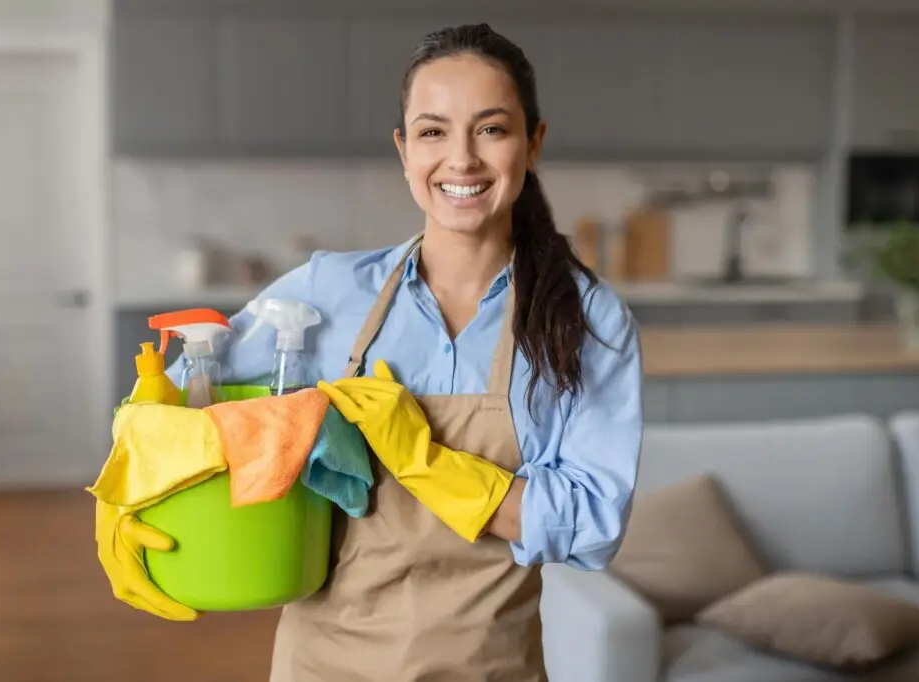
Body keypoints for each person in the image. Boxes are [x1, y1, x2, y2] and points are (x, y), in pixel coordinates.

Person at [170, 22, 644, 682]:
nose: (462, 159)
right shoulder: (323, 295)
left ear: (533, 142)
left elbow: (593, 526)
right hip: (324, 664)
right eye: (432, 131)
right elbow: (181, 410)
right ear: (403, 149)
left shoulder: (586, 319)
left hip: (490, 667)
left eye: (492, 129)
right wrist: (134, 500)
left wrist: (427, 463)